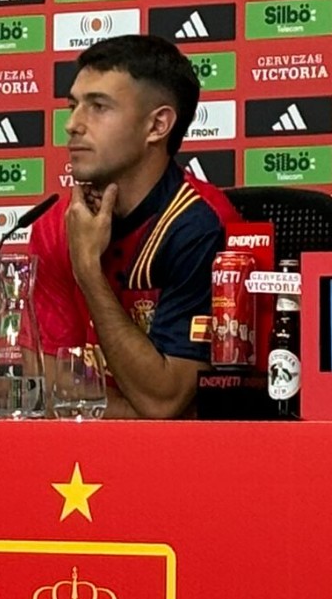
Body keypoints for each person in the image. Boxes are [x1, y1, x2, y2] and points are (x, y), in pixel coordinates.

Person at [29, 33, 240, 418]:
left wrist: (87, 269)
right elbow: (31, 382)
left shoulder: (201, 227)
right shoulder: (55, 223)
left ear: (157, 125)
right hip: (79, 450)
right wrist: (123, 409)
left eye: (98, 107)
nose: (72, 124)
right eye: (73, 106)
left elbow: (164, 402)